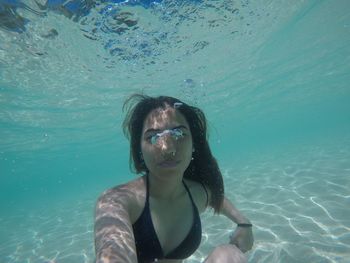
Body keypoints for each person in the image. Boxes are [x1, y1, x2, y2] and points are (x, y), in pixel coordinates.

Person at [94, 94, 254, 263]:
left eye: (178, 133)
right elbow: (113, 251)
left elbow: (216, 199)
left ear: (194, 144)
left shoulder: (196, 194)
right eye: (153, 137)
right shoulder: (116, 201)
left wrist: (243, 223)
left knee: (229, 255)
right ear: (139, 149)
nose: (167, 149)